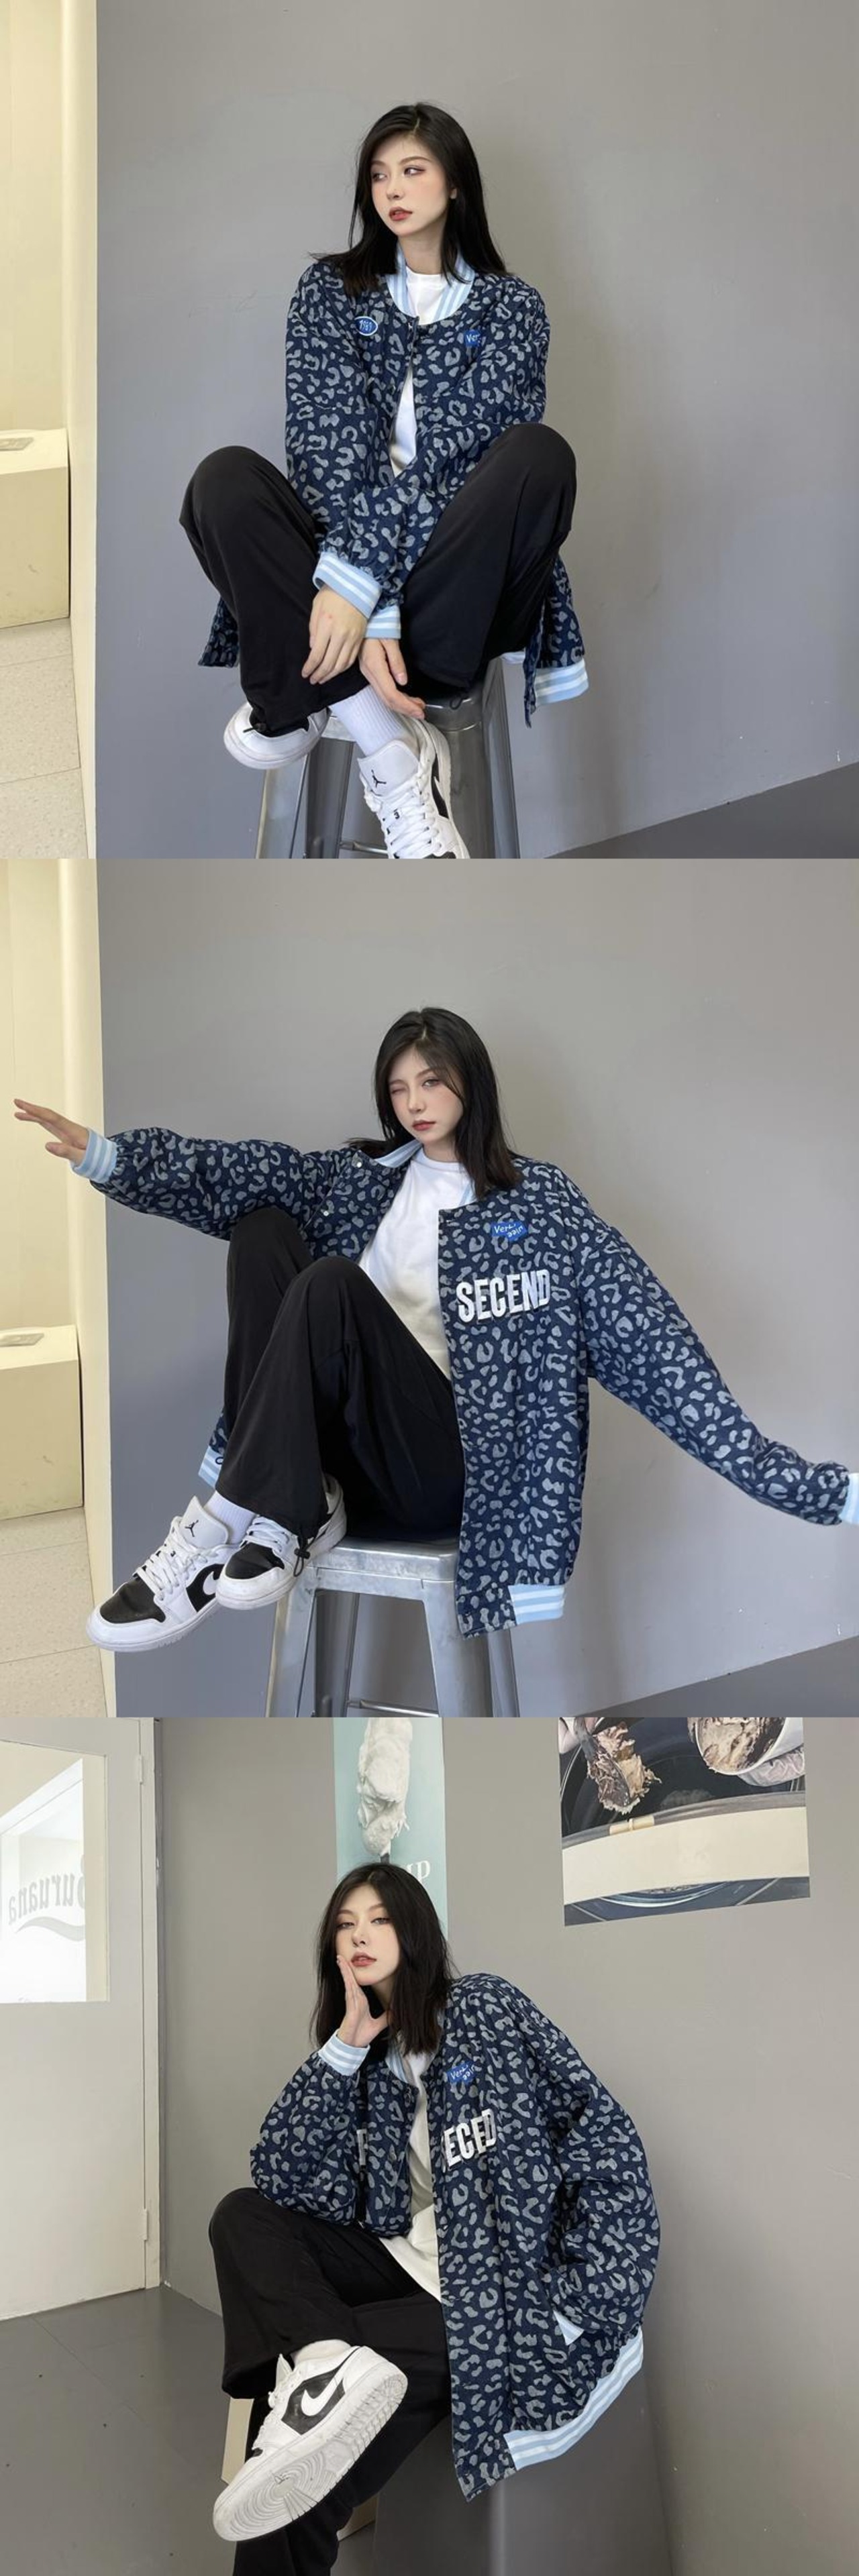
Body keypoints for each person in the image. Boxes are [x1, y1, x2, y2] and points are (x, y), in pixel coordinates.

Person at [14, 1004, 859, 1658]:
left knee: (331, 1284)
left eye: (430, 1082)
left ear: (469, 1083)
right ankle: (286, 1503)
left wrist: (806, 1486)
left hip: (445, 1472)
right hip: (344, 1461)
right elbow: (238, 1171)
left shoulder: (539, 1206)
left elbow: (651, 1343)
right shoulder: (359, 1179)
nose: (413, 1104)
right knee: (262, 1226)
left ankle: (227, 1519)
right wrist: (106, 1156)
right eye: (397, 1089)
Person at [207, 1863, 659, 2570]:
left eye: (378, 1919)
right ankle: (327, 2362)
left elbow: (603, 2139)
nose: (359, 1936)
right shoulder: (367, 2057)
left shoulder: (482, 2010)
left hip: (497, 2295)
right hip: (410, 2260)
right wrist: (345, 2044)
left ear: (413, 1928)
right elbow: (280, 2174)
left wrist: (577, 2302)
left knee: (296, 2451)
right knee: (243, 2214)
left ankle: (322, 2385)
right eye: (345, 1925)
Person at [180, 101, 587, 862]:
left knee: (538, 455)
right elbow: (324, 449)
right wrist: (362, 602)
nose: (391, 189)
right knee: (223, 481)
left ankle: (304, 697)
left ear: (455, 183)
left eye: (412, 169)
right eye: (377, 175)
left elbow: (459, 463)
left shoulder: (512, 309)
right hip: (331, 592)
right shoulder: (330, 291)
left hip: (453, 594)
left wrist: (368, 590)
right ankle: (391, 749)